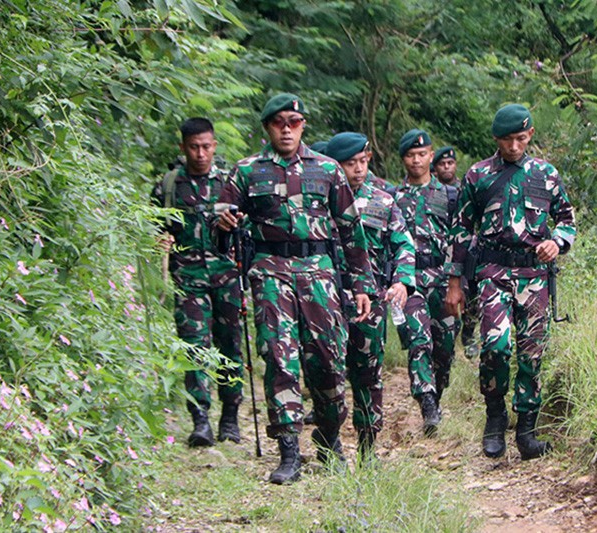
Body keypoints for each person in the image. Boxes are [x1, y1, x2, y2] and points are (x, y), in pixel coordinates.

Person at [215, 93, 375, 485]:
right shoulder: (246, 172)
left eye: (295, 122)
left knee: (327, 361)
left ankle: (330, 437)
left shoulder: (328, 170)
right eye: (279, 122)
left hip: (319, 273)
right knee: (280, 358)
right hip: (270, 273)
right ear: (267, 127)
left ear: (303, 126)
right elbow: (221, 226)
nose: (287, 129)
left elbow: (351, 231)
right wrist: (223, 225)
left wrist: (361, 285)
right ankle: (289, 450)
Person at [445, 104, 576, 460]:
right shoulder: (477, 176)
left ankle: (527, 429)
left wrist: (557, 241)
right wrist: (454, 281)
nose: (514, 146)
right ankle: (495, 414)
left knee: (532, 353)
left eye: (520, 138)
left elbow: (566, 219)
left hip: (535, 275)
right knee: (496, 346)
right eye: (507, 140)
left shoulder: (546, 175)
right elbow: (459, 229)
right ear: (496, 139)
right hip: (493, 273)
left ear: (530, 135)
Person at [151, 117, 243, 448]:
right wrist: (160, 239)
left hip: (227, 276)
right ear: (183, 147)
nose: (201, 153)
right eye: (194, 147)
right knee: (193, 347)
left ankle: (230, 416)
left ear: (215, 146)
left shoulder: (231, 182)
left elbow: (247, 227)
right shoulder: (170, 185)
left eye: (206, 146)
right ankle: (200, 418)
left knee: (229, 344)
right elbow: (155, 224)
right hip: (187, 277)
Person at [324, 132, 416, 460]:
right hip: (327, 298)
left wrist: (403, 281)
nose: (360, 169)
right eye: (351, 164)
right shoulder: (319, 199)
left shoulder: (382, 201)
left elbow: (403, 244)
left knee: (368, 374)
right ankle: (329, 443)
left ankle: (367, 447)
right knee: (327, 372)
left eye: (364, 161)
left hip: (370, 303)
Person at [393, 129, 459, 436]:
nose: (416, 160)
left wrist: (461, 283)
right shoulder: (392, 198)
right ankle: (428, 403)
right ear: (403, 159)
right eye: (410, 155)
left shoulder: (450, 196)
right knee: (420, 342)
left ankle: (437, 391)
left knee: (444, 348)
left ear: (431, 156)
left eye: (422, 154)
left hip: (443, 279)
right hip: (410, 281)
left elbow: (461, 239)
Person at [432, 146, 480, 358]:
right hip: (439, 253)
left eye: (450, 163)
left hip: (464, 251)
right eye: (442, 164)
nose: (447, 167)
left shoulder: (464, 187)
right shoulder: (431, 191)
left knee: (470, 295)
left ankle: (468, 335)